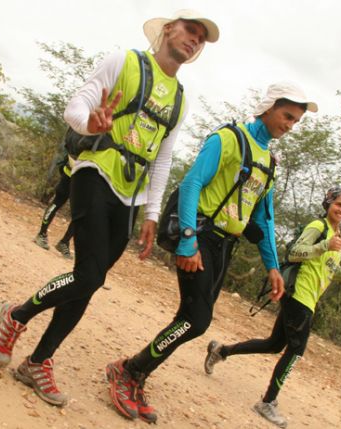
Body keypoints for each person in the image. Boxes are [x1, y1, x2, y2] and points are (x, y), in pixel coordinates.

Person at [0, 9, 219, 407]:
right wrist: (89, 125)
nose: (194, 40)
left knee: (89, 283)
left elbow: (162, 159)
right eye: (190, 30)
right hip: (94, 172)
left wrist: (150, 213)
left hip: (130, 195)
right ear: (168, 29)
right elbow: (76, 106)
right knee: (89, 274)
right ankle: (16, 316)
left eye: (201, 38)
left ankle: (38, 362)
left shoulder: (180, 99)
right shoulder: (125, 61)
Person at [105, 82, 318, 424]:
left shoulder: (269, 161)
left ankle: (135, 373)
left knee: (189, 318)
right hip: (201, 235)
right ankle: (129, 371)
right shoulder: (229, 139)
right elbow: (192, 183)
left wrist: (273, 267)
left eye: (296, 121)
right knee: (196, 320)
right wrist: (188, 240)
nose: (290, 125)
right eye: (287, 115)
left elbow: (264, 216)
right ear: (267, 107)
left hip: (224, 247)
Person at [203, 187, 341, 428]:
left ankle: (221, 351)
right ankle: (267, 402)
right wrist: (325, 245)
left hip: (308, 300)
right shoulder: (318, 227)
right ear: (328, 204)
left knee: (274, 345)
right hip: (299, 296)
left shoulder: (337, 237)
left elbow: (334, 274)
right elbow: (295, 253)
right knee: (295, 350)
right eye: (339, 204)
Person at [34, 151, 75, 259]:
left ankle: (45, 235)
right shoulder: (99, 134)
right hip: (77, 177)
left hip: (71, 173)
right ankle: (59, 240)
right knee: (79, 212)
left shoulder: (81, 134)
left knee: (58, 203)